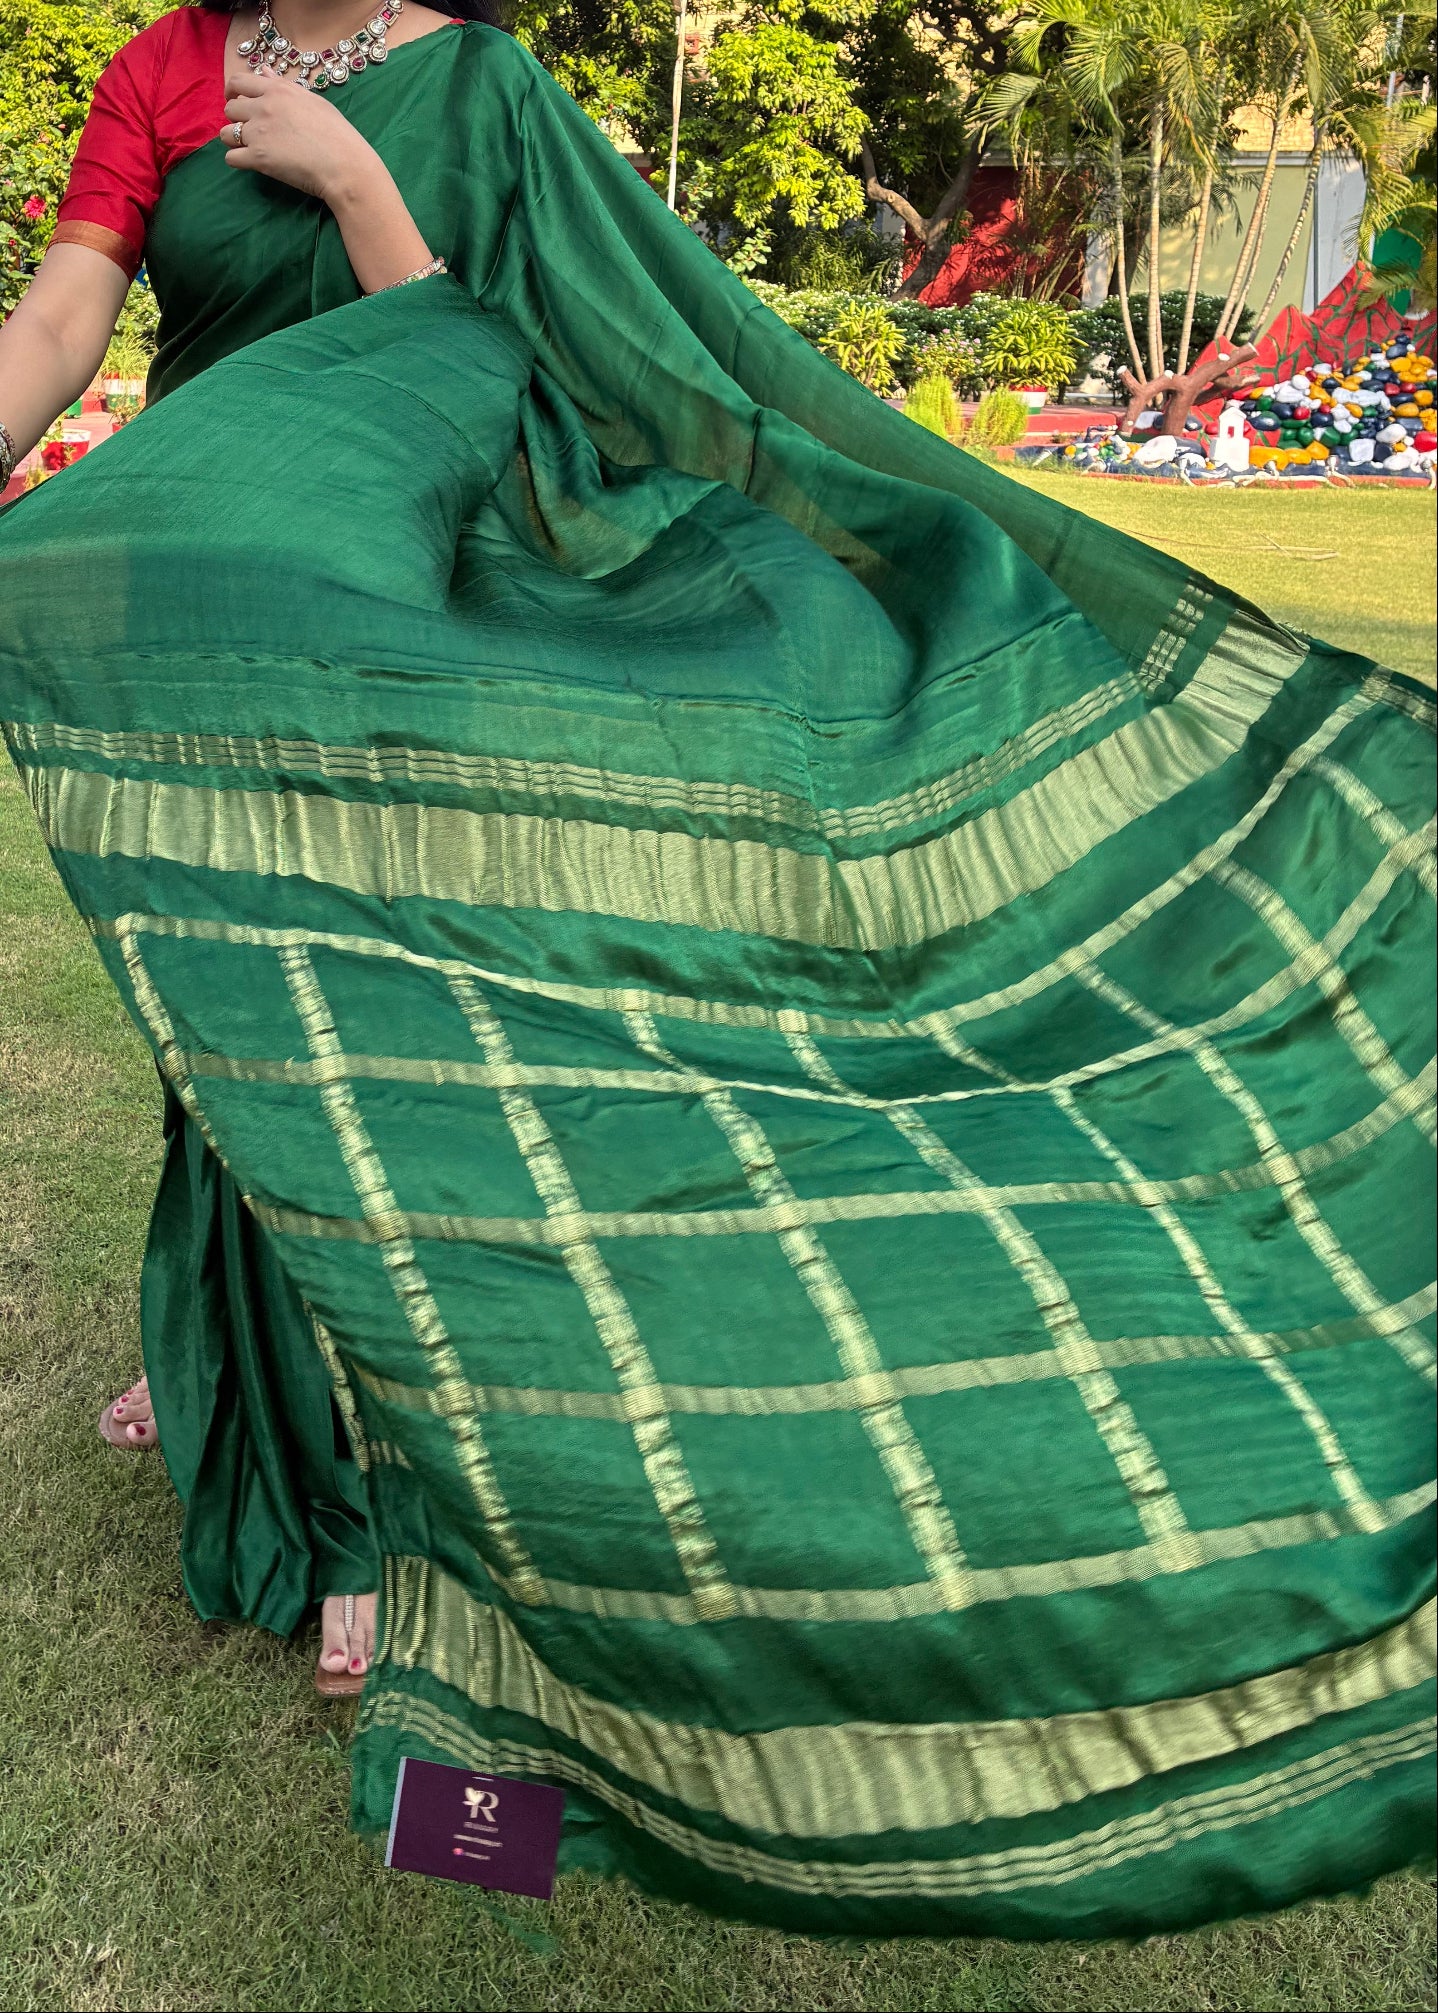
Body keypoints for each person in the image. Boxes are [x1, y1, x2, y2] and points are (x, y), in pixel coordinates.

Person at [0, 2, 1432, 1940]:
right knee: (228, 1011)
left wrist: (354, 187)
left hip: (429, 600)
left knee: (399, 1048)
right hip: (210, 598)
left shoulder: (478, 86)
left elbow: (523, 356)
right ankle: (233, 1386)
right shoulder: (165, 63)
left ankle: (380, 1525)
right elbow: (69, 320)